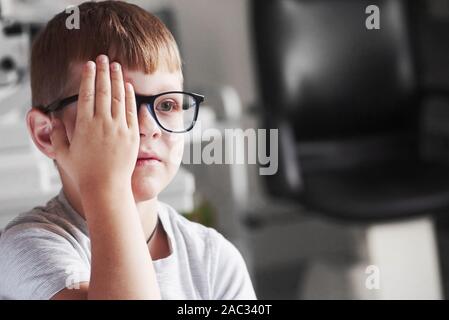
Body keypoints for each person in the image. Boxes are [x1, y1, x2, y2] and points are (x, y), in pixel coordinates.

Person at [0, 0, 256, 300]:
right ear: (46, 134)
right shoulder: (28, 247)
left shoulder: (214, 258)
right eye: (114, 106)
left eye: (167, 105)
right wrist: (106, 183)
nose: (148, 125)